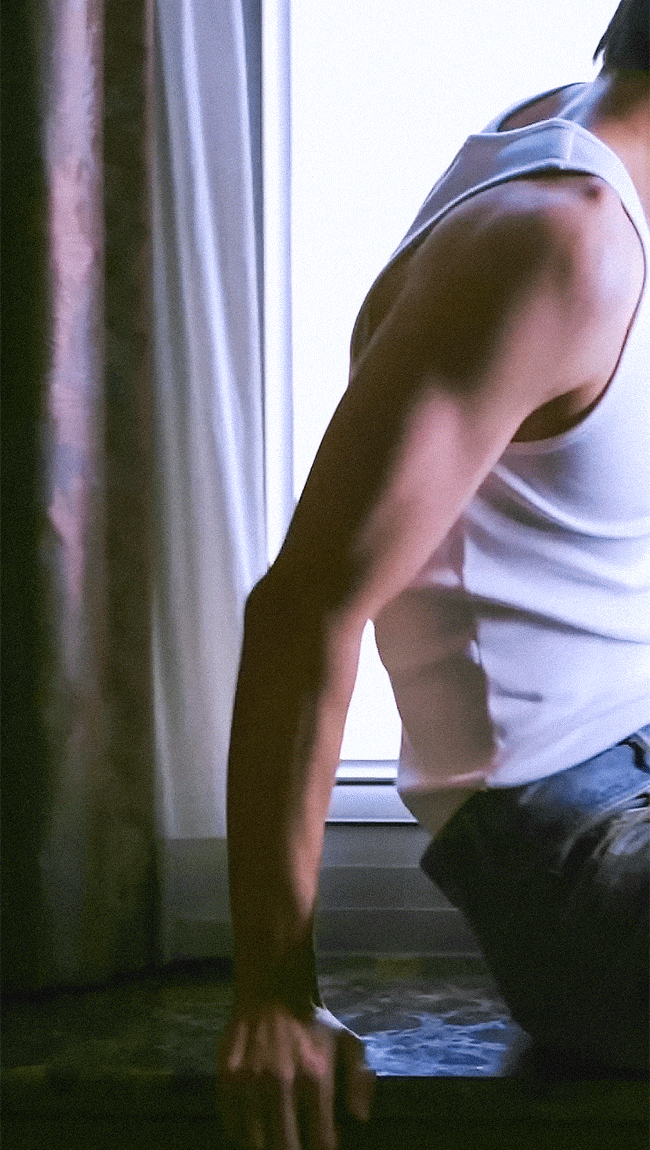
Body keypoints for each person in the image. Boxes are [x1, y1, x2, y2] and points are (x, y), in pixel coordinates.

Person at [217, 1, 650, 1145]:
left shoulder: (585, 146)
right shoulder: (553, 242)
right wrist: (273, 994)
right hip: (571, 856)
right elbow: (302, 607)